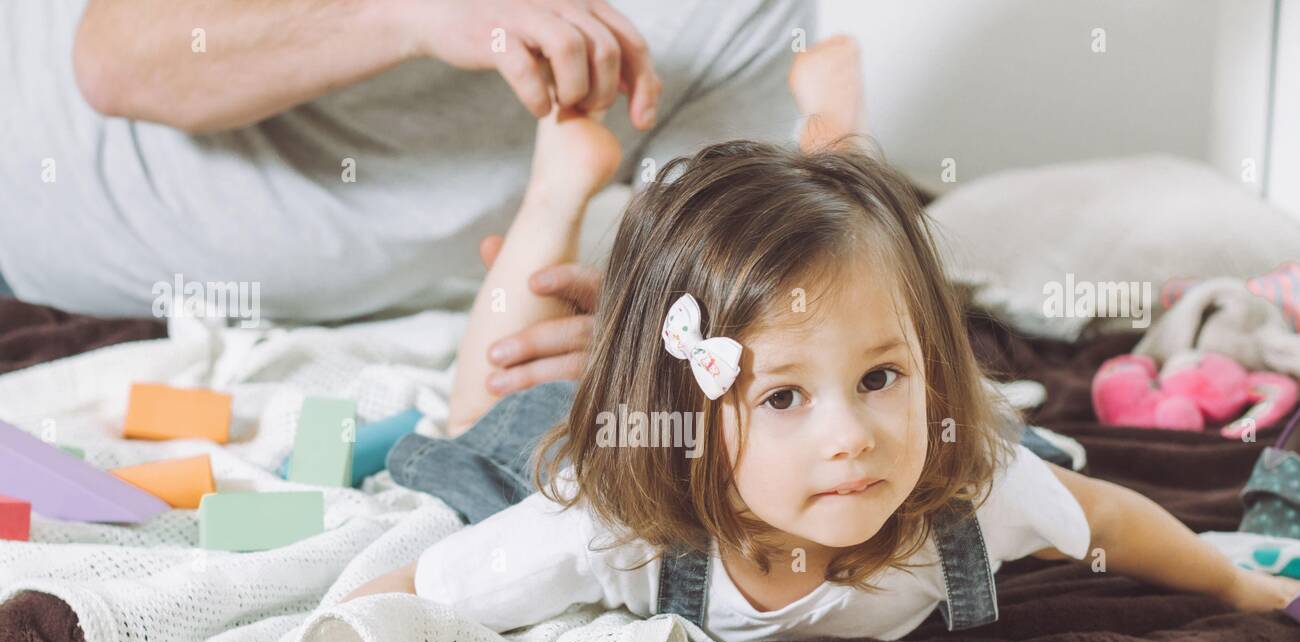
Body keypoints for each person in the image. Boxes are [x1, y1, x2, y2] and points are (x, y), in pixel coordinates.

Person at [183, 131, 1300, 642]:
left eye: (881, 377)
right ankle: (556, 189)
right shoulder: (606, 532)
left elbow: (1101, 512)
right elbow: (432, 577)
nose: (852, 437)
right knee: (476, 412)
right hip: (542, 450)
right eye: (782, 398)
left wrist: (1237, 588)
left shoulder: (969, 499)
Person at [0, 0, 813, 397]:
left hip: (300, 322)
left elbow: (719, 278)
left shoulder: (747, 14)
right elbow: (118, 63)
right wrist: (411, 13)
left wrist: (650, 332)